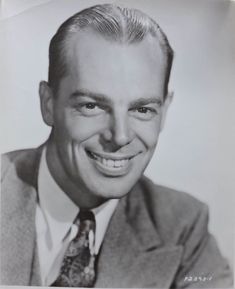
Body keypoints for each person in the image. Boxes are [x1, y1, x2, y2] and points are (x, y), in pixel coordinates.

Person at [1, 4, 233, 288]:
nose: (120, 136)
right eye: (91, 105)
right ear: (48, 104)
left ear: (164, 112)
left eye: (143, 110)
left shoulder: (182, 228)